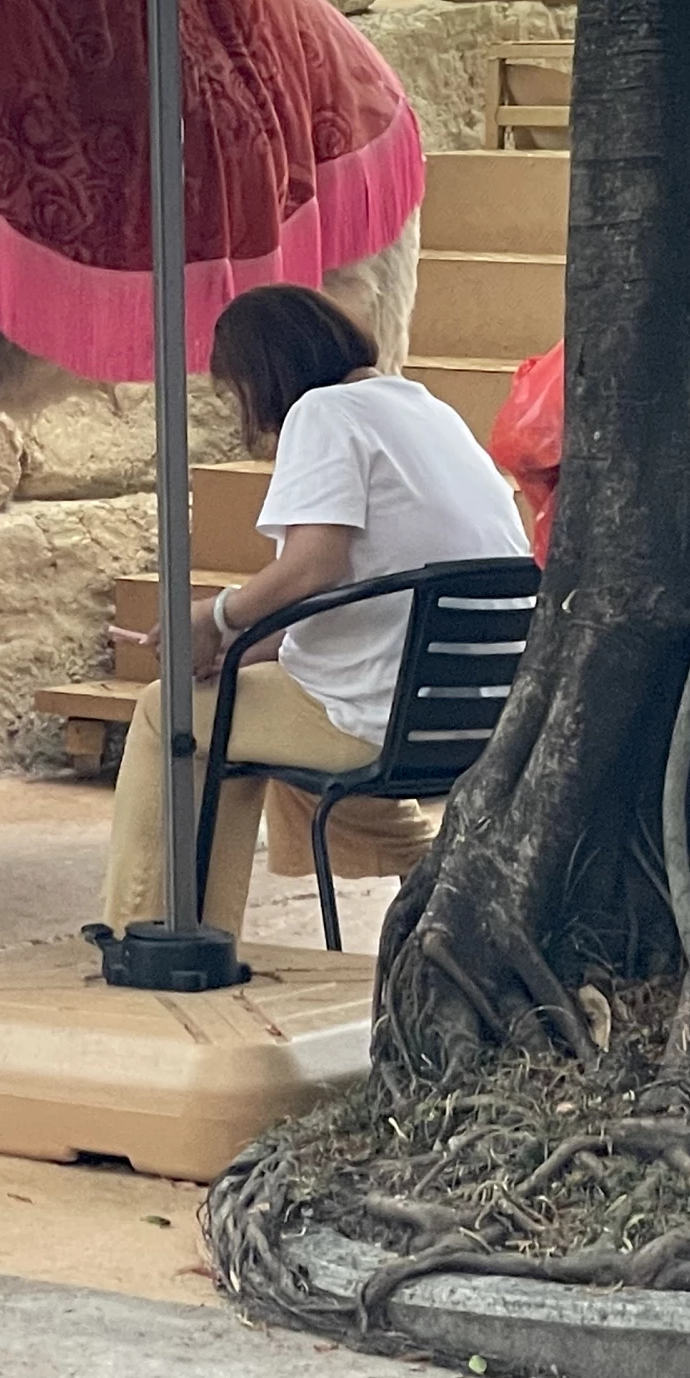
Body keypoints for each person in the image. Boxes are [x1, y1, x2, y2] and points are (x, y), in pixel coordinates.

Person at [99, 284, 532, 934]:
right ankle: (437, 878)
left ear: (263, 372)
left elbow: (315, 564)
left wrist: (214, 619)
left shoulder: (324, 414)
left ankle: (148, 932)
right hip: (468, 709)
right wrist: (231, 646)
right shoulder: (426, 410)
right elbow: (352, 592)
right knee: (236, 707)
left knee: (170, 715)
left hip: (381, 716)